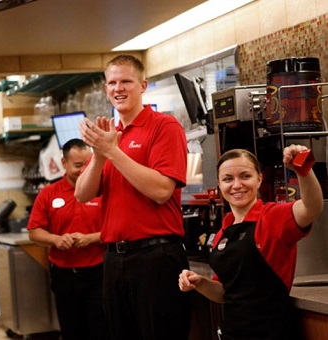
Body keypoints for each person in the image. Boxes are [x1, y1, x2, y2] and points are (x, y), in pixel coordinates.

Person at [75, 54, 191, 339]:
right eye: (112, 82)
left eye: (126, 81)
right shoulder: (109, 135)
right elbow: (82, 193)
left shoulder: (164, 126)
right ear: (106, 89)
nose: (119, 88)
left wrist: (113, 151)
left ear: (143, 85)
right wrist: (100, 154)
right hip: (115, 259)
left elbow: (163, 191)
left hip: (155, 257)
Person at [178, 146, 324, 340]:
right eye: (228, 179)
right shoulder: (224, 232)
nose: (237, 185)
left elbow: (312, 207)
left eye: (245, 176)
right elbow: (225, 292)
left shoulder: (272, 217)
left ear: (259, 179)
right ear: (220, 185)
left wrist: (302, 170)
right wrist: (200, 283)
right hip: (232, 333)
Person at [27, 138, 108, 340]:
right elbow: (34, 231)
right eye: (78, 165)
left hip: (99, 273)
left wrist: (91, 238)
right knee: (72, 329)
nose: (83, 170)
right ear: (64, 164)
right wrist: (56, 240)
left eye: (88, 164)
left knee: (101, 329)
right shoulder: (48, 194)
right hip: (64, 275)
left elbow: (118, 229)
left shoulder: (103, 191)